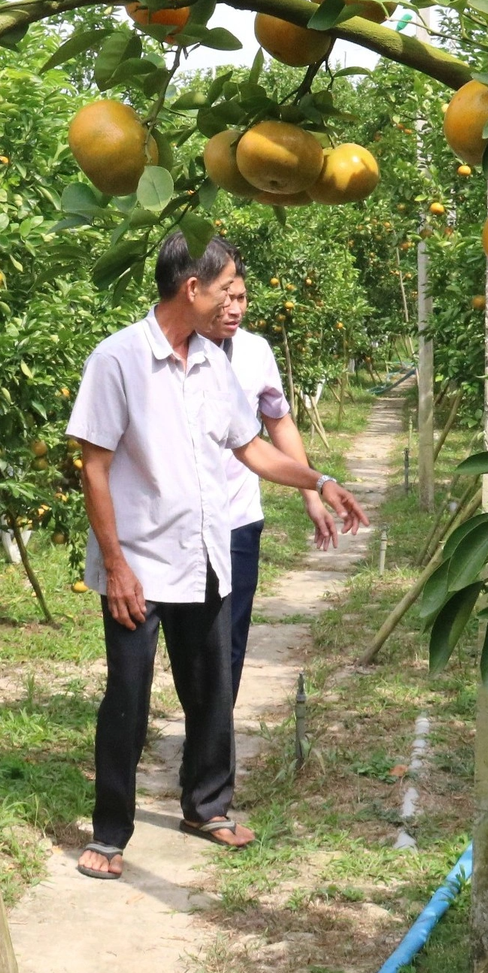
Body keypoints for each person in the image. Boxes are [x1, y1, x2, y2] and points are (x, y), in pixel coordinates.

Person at [66, 233, 368, 881]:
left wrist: (316, 481)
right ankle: (111, 831)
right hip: (138, 564)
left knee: (211, 689)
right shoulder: (118, 359)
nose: (235, 298)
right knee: (128, 694)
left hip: (203, 554)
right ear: (191, 289)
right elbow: (95, 467)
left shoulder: (213, 362)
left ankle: (206, 805)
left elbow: (250, 447)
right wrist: (115, 564)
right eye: (226, 285)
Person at [198, 263, 333, 703]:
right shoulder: (176, 349)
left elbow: (280, 424)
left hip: (237, 517)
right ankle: (205, 734)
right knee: (191, 642)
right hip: (182, 519)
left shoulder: (255, 352)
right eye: (227, 297)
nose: (235, 308)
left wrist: (311, 496)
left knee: (231, 636)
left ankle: (215, 745)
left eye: (242, 298)